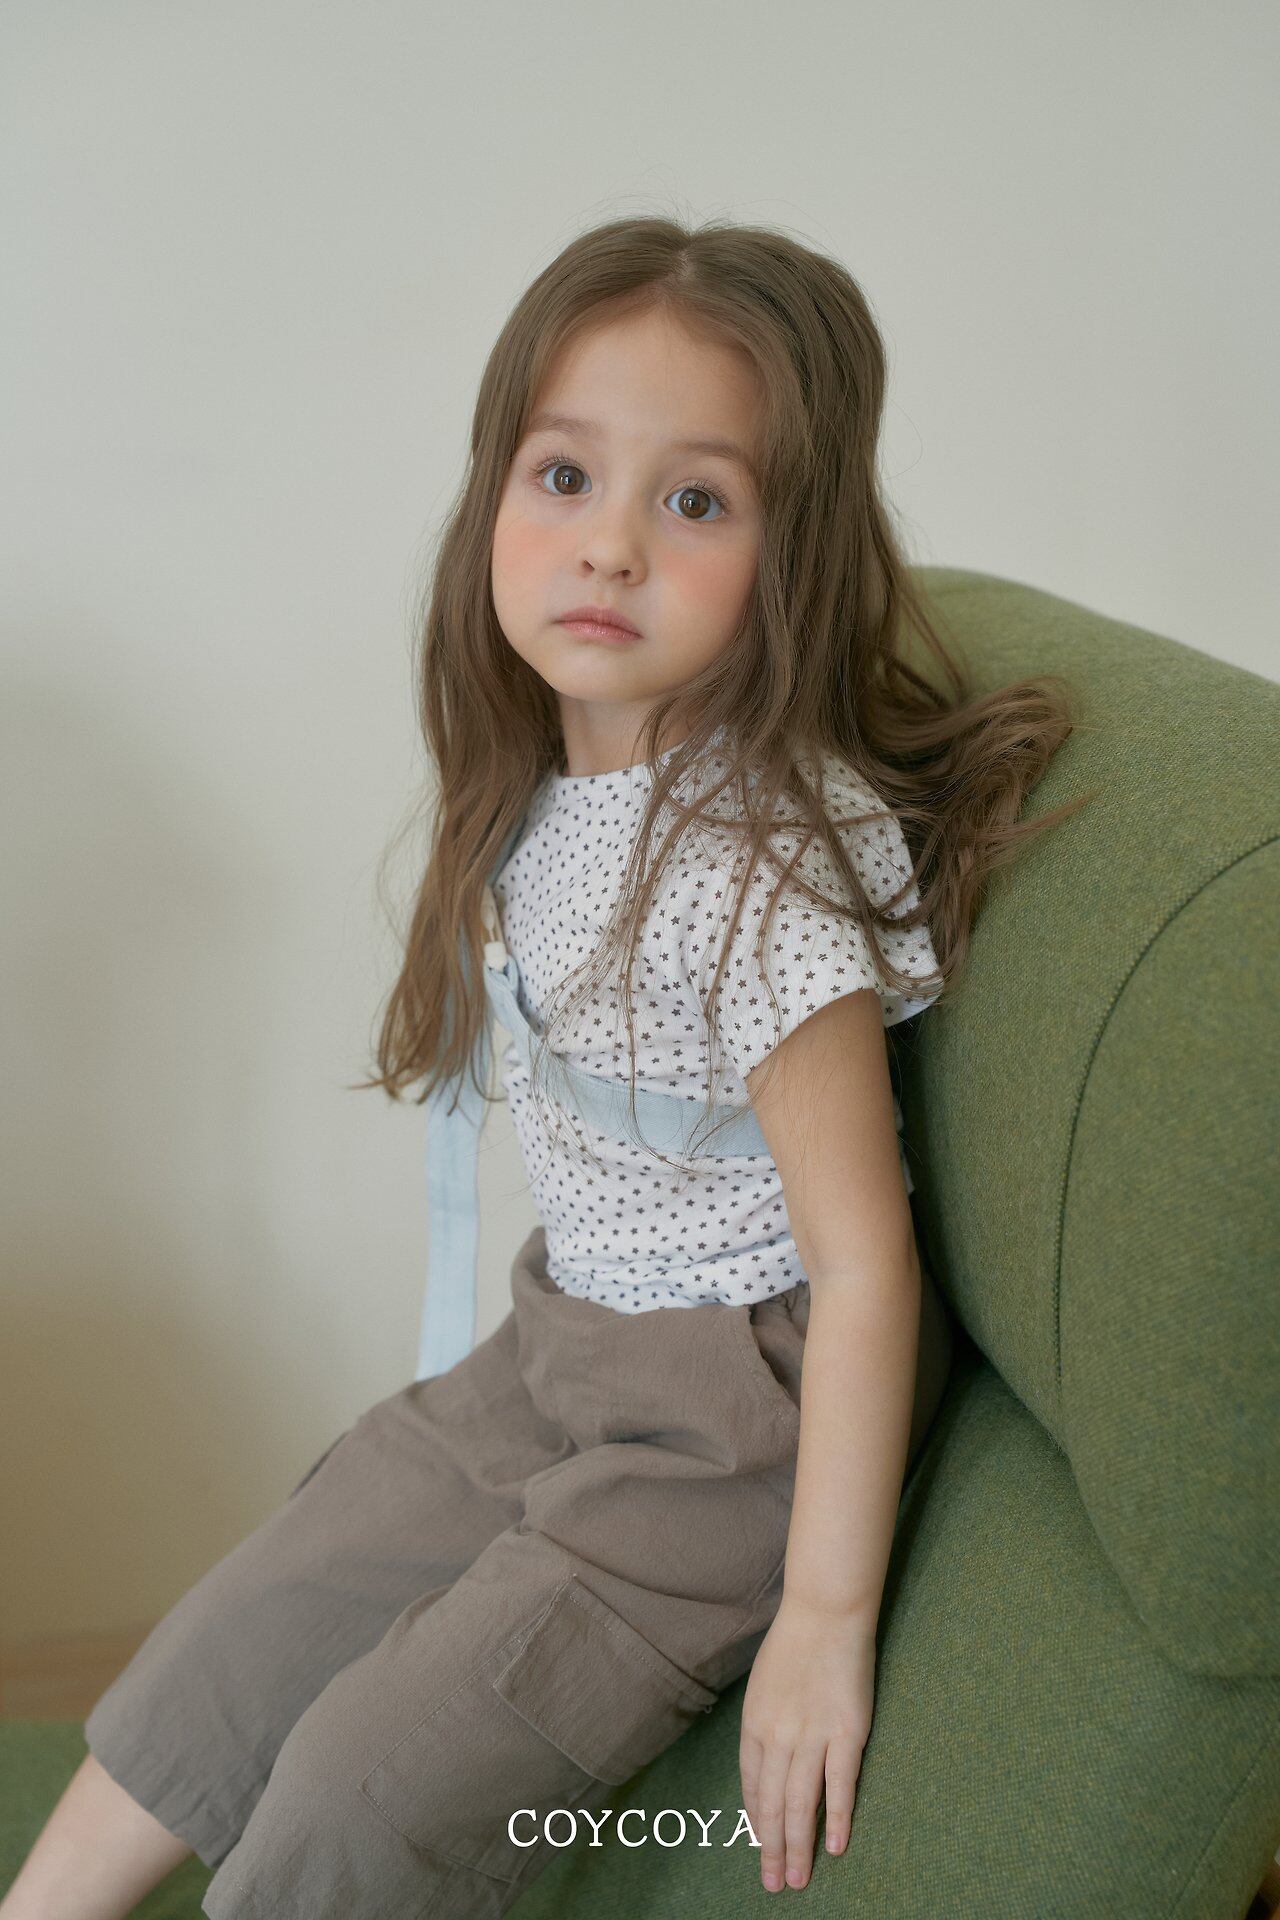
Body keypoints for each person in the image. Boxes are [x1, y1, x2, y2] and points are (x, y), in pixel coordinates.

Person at [2, 213, 1087, 1920]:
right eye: (565, 476)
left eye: (697, 502)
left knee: (361, 1788)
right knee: (236, 1637)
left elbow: (865, 1268)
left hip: (731, 1423)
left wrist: (823, 1620)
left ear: (792, 555)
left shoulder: (757, 864)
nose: (611, 546)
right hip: (562, 1340)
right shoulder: (543, 789)